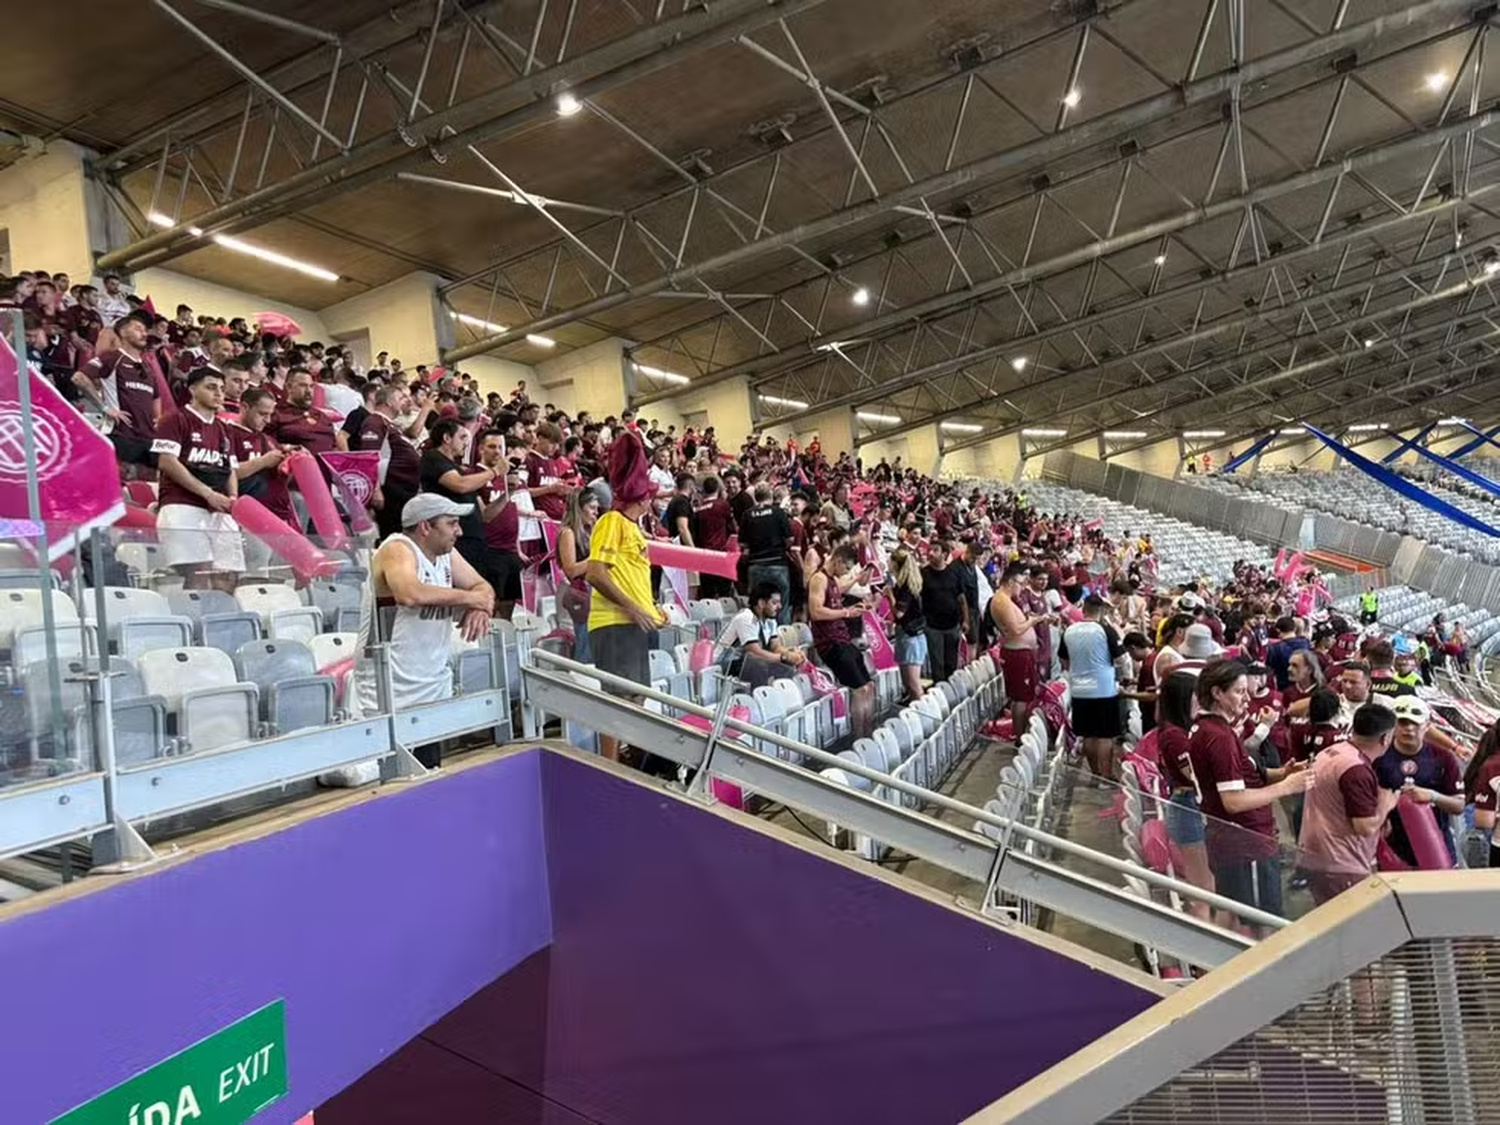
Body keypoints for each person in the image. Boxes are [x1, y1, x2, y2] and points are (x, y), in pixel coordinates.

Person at [350, 494, 495, 767]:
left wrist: (480, 606)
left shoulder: (446, 554)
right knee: (396, 779)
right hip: (389, 686)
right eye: (451, 523)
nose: (459, 531)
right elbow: (409, 593)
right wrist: (470, 599)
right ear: (425, 527)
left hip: (430, 682)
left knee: (429, 771)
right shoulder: (397, 549)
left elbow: (483, 587)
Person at [1188, 659, 1310, 926]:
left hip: (1236, 840)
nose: (1247, 699)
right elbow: (1233, 800)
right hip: (1244, 844)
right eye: (1239, 692)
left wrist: (1283, 773)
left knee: (1236, 913)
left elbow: (1245, 774)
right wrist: (1286, 787)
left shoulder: (1213, 729)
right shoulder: (1218, 736)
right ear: (1217, 694)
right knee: (1259, 923)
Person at [587, 431, 667, 764]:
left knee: (636, 699)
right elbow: (596, 573)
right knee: (618, 701)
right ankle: (610, 770)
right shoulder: (612, 521)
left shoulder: (633, 528)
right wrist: (635, 608)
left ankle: (627, 768)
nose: (653, 500)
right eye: (650, 495)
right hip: (614, 623)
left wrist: (653, 610)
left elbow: (630, 579)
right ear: (643, 498)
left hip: (632, 624)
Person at [1296, 704, 1401, 904]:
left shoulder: (1330, 752)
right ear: (1385, 738)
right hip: (1341, 864)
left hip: (1314, 854)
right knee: (1352, 929)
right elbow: (1364, 826)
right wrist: (1386, 804)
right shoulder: (1356, 769)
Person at [150, 366, 243, 590]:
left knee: (228, 576)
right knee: (199, 573)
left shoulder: (224, 428)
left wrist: (233, 501)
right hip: (182, 504)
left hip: (218, 509)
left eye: (221, 388)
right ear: (192, 389)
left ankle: (223, 624)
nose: (219, 393)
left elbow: (230, 470)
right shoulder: (175, 419)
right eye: (211, 388)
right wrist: (208, 493)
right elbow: (167, 462)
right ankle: (196, 623)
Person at [1374, 696, 1462, 867]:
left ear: (1427, 726)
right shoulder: (1378, 757)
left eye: (1415, 723)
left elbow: (1459, 806)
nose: (1409, 729)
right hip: (1394, 849)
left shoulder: (1443, 758)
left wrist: (1433, 796)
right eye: (1403, 722)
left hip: (1436, 846)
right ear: (1393, 725)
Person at [1155, 670, 1215, 920]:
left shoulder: (1181, 731)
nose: (1200, 701)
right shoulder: (1174, 735)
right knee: (1202, 888)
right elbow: (1195, 774)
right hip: (1187, 808)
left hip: (1190, 806)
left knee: (1206, 883)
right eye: (1196, 696)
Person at [421, 418, 501, 603]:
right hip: (456, 540)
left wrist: (508, 493)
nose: (467, 442)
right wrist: (494, 472)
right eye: (462, 437)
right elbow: (460, 486)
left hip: (475, 539)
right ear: (447, 438)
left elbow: (485, 514)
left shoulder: (459, 469)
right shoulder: (433, 458)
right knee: (462, 596)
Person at [73, 310, 161, 470]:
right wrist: (105, 408)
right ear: (122, 332)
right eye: (137, 328)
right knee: (120, 484)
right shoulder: (112, 357)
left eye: (145, 330)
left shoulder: (148, 367)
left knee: (147, 488)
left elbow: (156, 396)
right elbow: (79, 378)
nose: (143, 333)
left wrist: (158, 418)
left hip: (148, 437)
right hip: (121, 434)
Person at [809, 543, 875, 737]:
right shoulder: (819, 579)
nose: (845, 572)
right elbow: (816, 611)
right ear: (838, 561)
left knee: (869, 686)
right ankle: (859, 737)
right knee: (859, 689)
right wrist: (847, 612)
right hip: (831, 644)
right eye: (846, 568)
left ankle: (869, 733)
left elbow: (840, 588)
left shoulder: (831, 580)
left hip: (843, 640)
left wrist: (856, 578)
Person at [1061, 595, 1126, 780]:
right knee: (1104, 735)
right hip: (1103, 688)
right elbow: (1121, 658)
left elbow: (1064, 660)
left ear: (1084, 610)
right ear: (1102, 611)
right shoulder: (1106, 630)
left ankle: (1095, 772)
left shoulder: (1070, 630)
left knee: (1087, 734)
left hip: (1080, 687)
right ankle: (1106, 776)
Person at [990, 561, 1051, 735]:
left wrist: (1034, 619)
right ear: (1010, 582)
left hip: (1022, 652)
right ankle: (1018, 735)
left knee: (1024, 696)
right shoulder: (1001, 601)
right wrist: (1033, 621)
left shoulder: (1007, 600)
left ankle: (1021, 732)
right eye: (1020, 584)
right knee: (1020, 698)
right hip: (1016, 653)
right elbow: (1015, 630)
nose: (1022, 588)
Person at [356, 385, 423, 541]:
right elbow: (369, 456)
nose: (404, 402)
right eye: (400, 398)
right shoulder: (374, 422)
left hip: (402, 492)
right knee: (392, 537)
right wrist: (376, 489)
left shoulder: (391, 425)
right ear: (388, 402)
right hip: (390, 492)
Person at [717, 581, 805, 687]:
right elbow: (754, 652)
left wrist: (793, 654)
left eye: (779, 602)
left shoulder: (770, 620)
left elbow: (775, 646)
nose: (780, 606)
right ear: (761, 603)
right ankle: (758, 697)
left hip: (747, 662)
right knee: (760, 665)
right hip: (727, 663)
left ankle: (782, 694)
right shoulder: (746, 618)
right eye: (775, 603)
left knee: (787, 664)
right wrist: (784, 657)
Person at [556, 485, 601, 662]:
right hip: (575, 594)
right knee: (584, 645)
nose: (595, 512)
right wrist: (599, 557)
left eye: (596, 508)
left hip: (590, 591)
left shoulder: (589, 531)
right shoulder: (568, 533)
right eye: (592, 508)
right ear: (579, 508)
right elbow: (570, 570)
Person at [741, 482, 794, 625]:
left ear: (755, 497)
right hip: (777, 564)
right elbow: (790, 539)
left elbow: (742, 544)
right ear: (770, 495)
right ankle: (782, 637)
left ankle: (755, 637)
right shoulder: (778, 512)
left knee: (756, 607)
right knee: (780, 605)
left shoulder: (747, 514)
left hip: (756, 565)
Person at [920, 538, 969, 684]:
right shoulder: (923, 573)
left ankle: (950, 692)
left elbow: (961, 598)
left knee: (951, 663)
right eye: (930, 549)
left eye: (935, 550)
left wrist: (966, 620)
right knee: (937, 665)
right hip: (932, 626)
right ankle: (939, 693)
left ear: (944, 554)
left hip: (953, 625)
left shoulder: (954, 573)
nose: (931, 553)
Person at [889, 547, 927, 703]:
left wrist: (889, 595)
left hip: (911, 638)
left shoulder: (905, 587)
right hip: (906, 635)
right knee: (908, 684)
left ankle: (924, 711)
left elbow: (899, 613)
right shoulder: (903, 584)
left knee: (913, 683)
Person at [693, 474, 737, 598]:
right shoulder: (722, 505)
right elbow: (733, 527)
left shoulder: (698, 509)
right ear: (718, 489)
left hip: (704, 555)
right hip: (721, 554)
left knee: (708, 593)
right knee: (724, 593)